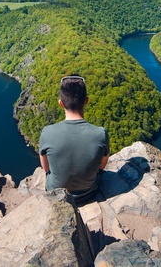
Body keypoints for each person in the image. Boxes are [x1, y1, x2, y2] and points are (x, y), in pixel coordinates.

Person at [39, 75, 110, 204]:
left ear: (60, 103)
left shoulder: (47, 132)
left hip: (58, 195)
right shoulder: (101, 134)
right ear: (86, 101)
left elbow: (46, 168)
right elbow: (102, 166)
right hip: (89, 194)